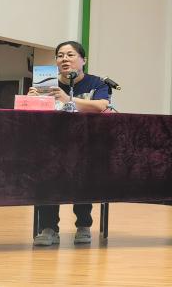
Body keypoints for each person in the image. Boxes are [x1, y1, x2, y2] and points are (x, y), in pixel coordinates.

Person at [27, 40, 110, 246]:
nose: (65, 59)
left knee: (84, 177)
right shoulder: (46, 83)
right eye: (60, 55)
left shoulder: (97, 83)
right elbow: (31, 115)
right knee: (46, 178)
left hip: (85, 144)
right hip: (51, 144)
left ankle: (83, 225)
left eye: (70, 55)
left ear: (83, 60)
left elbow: (101, 106)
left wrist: (67, 99)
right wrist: (31, 100)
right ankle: (48, 228)